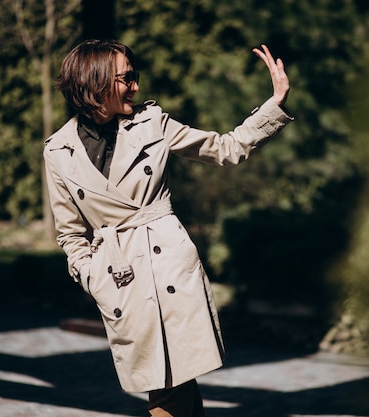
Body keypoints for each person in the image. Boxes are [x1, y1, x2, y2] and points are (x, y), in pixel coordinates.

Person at [43, 39, 292, 416]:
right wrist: (93, 275)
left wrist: (274, 104)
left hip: (168, 264)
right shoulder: (58, 151)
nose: (136, 86)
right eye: (127, 78)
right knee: (169, 378)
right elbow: (70, 233)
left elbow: (226, 148)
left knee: (170, 381)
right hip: (121, 276)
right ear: (96, 84)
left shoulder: (151, 123)